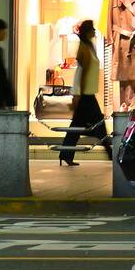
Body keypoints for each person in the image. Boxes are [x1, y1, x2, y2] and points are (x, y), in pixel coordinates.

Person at [59, 20, 112, 166]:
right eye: (92, 30)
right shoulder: (84, 48)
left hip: (87, 94)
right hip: (85, 95)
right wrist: (77, 94)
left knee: (76, 127)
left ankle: (65, 154)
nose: (95, 32)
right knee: (99, 125)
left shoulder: (89, 46)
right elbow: (80, 73)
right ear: (88, 32)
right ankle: (110, 153)